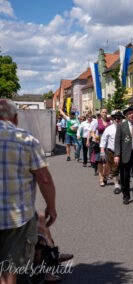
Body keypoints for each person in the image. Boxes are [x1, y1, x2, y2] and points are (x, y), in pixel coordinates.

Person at [0, 99, 57, 284]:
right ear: (15, 119)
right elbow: (44, 179)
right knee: (9, 270)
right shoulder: (26, 140)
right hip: (15, 218)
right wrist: (51, 207)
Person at [100, 110, 125, 194]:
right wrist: (102, 151)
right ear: (113, 119)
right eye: (115, 118)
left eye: (119, 118)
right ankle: (116, 185)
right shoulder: (109, 128)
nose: (117, 120)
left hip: (124, 152)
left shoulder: (125, 128)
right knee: (114, 168)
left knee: (123, 168)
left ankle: (120, 181)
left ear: (122, 119)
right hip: (112, 152)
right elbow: (103, 139)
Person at [90, 108, 111, 187]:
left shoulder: (110, 122)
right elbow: (92, 131)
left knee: (108, 162)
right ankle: (101, 178)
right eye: (103, 112)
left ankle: (105, 175)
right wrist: (95, 137)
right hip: (99, 144)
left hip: (109, 144)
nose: (104, 113)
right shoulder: (96, 121)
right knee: (100, 162)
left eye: (105, 112)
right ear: (100, 113)